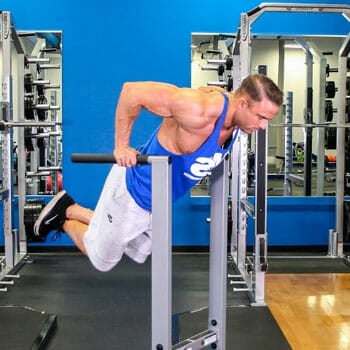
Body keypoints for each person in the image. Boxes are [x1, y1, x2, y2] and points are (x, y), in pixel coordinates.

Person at [34, 74, 283, 271]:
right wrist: (121, 145)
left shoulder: (237, 121)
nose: (263, 126)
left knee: (140, 248)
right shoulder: (199, 108)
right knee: (103, 259)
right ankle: (64, 217)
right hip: (134, 191)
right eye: (261, 117)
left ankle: (72, 208)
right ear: (242, 103)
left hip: (156, 201)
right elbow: (132, 91)